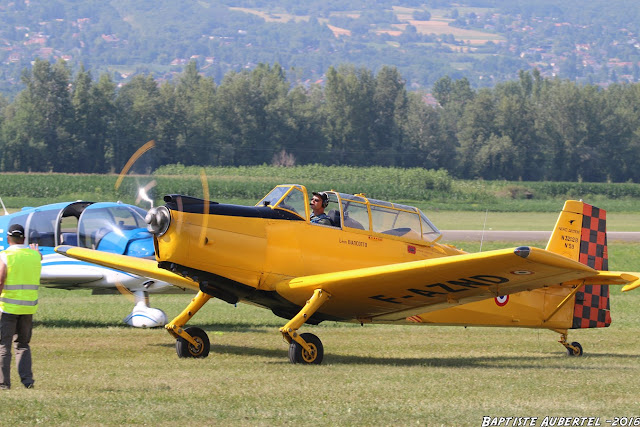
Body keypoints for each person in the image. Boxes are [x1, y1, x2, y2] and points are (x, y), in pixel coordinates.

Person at [0, 224, 42, 390]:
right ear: (24, 238)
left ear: (9, 239)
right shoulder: (35, 256)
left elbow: (1, 280)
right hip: (28, 308)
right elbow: (38, 258)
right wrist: (36, 253)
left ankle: (3, 384)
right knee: (23, 345)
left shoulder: (5, 256)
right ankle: (27, 381)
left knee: (4, 346)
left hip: (8, 308)